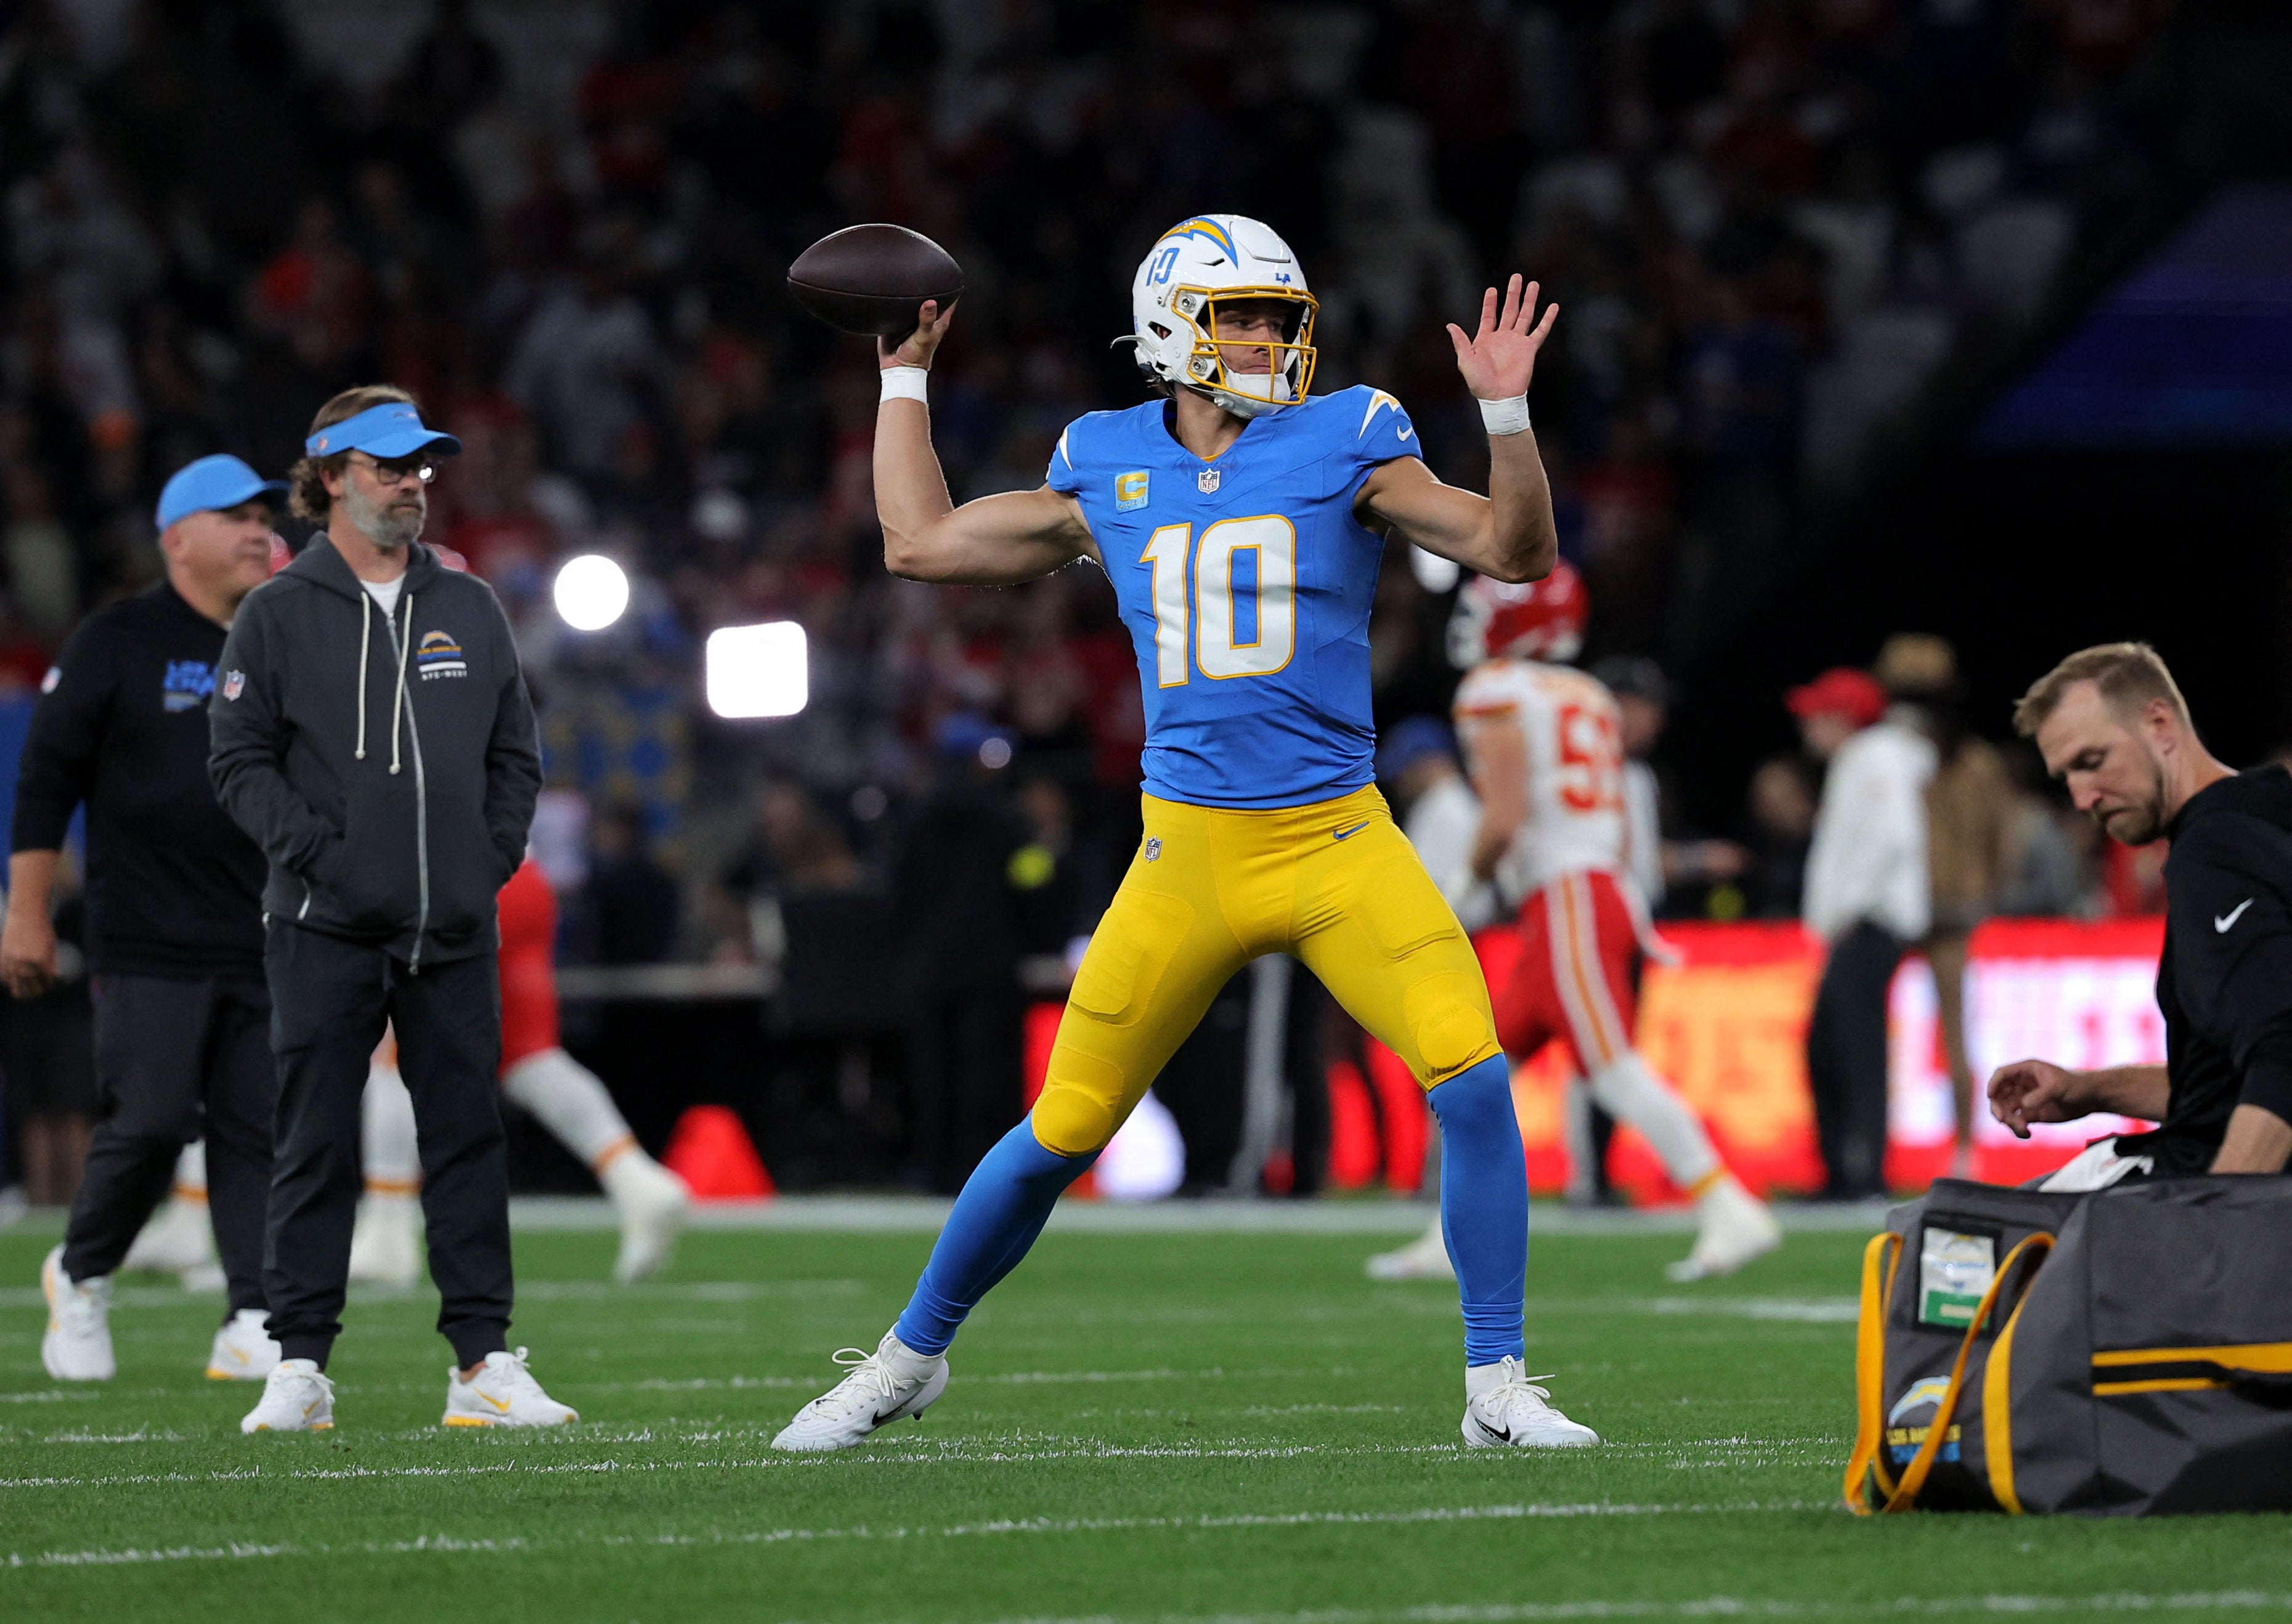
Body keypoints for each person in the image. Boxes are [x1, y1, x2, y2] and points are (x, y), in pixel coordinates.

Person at [774, 214, 1598, 1451]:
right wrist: (903, 377)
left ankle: (1498, 1382)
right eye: (1242, 318)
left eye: (1279, 317)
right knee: (1060, 1129)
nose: (1269, 340)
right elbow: (919, 542)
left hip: (1336, 843)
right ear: (1173, 327)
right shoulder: (1106, 457)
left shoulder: (1352, 433)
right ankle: (905, 1358)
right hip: (1189, 855)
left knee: (1473, 1080)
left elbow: (1512, 549)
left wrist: (1509, 419)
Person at [209, 385, 574, 1432]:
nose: (414, 481)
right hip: (321, 923)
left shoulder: (469, 604)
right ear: (330, 477)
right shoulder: (275, 613)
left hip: (452, 925)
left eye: (421, 465)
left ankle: (484, 1367)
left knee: (468, 1143)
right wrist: (321, 858)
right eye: (389, 465)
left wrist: (483, 862)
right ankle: (300, 1367)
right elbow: (236, 763)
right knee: (315, 1142)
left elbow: (516, 757)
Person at [15, 453, 286, 1384]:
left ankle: (253, 1309)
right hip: (146, 935)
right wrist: (25, 915)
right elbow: (47, 779)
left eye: (264, 514)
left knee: (258, 1128)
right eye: (235, 516)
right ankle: (82, 1273)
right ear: (177, 538)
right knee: (154, 1119)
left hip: (262, 932)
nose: (259, 529)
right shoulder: (117, 638)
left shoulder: (282, 639)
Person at [1449, 565, 1778, 1279]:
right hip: (1595, 889)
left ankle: (1727, 1203)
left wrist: (1460, 887)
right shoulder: (1590, 693)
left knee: (1611, 1066)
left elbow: (1502, 820)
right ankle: (1450, 1234)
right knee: (1482, 1073)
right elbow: (1620, 818)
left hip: (1566, 895)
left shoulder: (1493, 690)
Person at [1988, 643, 2292, 1184]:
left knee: (1947, 1249)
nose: (2083, 797)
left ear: (2159, 723)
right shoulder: (2265, 820)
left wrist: (2216, 1229)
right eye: (2067, 778)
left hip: (2216, 1198)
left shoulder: (2215, 851)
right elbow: (2231, 1089)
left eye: (2092, 761)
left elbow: (2283, 1057)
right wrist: (2089, 1090)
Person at [347, 855, 691, 1285]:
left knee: (399, 1053)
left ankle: (387, 1230)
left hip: (447, 875)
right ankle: (636, 1180)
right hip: (521, 879)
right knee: (529, 1055)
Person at [1874, 634, 2012, 1179]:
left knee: (1880, 1029)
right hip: (1957, 902)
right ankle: (1963, 1149)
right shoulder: (1978, 759)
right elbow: (2002, 840)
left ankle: (1877, 1148)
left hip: (1908, 902)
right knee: (1955, 1032)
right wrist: (1987, 890)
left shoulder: (1896, 756)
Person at [1791, 664, 1932, 1200]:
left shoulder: (1873, 757)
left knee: (1853, 1049)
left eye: (1816, 716)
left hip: (1869, 925)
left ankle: (1862, 1173)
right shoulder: (1869, 758)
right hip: (1861, 925)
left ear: (1843, 718)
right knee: (1832, 1046)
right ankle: (1845, 1172)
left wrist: (1850, 908)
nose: (1808, 728)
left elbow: (1889, 837)